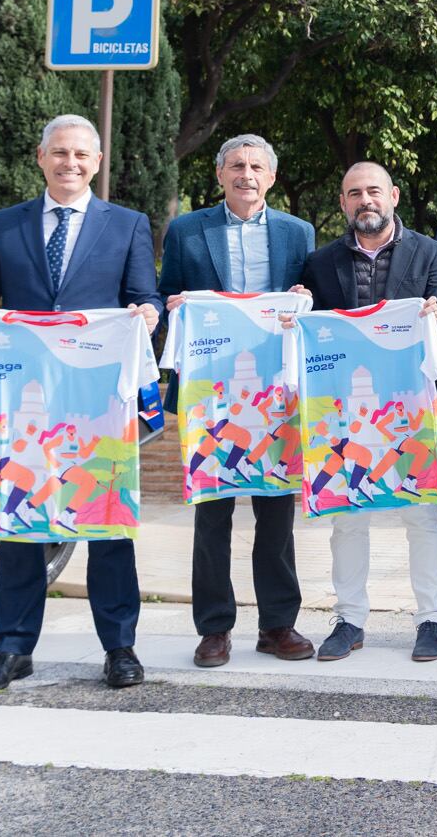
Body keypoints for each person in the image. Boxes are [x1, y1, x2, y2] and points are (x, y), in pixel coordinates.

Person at [0, 115, 162, 695]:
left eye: (81, 155)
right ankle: (12, 649)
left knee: (107, 526)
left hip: (95, 405)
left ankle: (119, 648)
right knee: (20, 527)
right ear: (40, 157)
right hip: (22, 405)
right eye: (59, 153)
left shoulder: (129, 225)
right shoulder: (2, 225)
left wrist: (147, 316)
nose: (70, 163)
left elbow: (143, 296)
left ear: (97, 161)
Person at [158, 133, 318, 669]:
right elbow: (163, 298)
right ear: (220, 175)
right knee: (212, 517)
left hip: (275, 397)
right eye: (235, 165)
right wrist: (174, 305)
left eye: (255, 166)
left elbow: (313, 303)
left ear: (270, 177)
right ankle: (214, 629)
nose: (245, 174)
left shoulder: (299, 234)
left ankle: (278, 624)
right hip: (211, 397)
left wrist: (305, 301)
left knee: (276, 514)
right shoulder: (186, 231)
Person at [299, 161, 437, 665]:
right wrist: (298, 309)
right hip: (345, 412)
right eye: (353, 193)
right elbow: (313, 329)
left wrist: (434, 313)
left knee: (422, 516)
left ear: (393, 196)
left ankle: (430, 619)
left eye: (373, 191)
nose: (365, 200)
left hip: (408, 408)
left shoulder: (430, 251)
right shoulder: (321, 263)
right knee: (347, 519)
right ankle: (350, 620)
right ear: (343, 203)